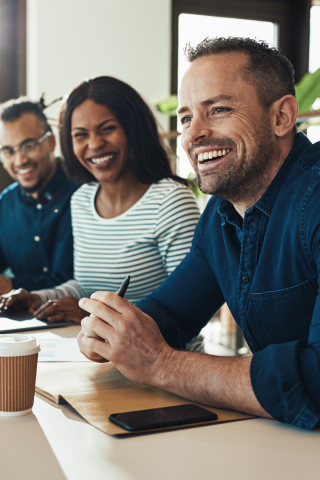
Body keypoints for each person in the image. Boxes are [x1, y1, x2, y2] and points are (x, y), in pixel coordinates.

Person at [75, 37, 320, 430]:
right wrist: (113, 331)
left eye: (218, 109)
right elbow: (170, 314)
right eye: (186, 118)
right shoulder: (220, 214)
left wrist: (161, 364)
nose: (193, 135)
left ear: (282, 116)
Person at [1, 77, 203, 351]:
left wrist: (91, 316)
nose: (94, 144)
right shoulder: (83, 199)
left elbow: (189, 309)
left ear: (133, 130)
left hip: (167, 370)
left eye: (107, 129)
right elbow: (84, 286)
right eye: (80, 135)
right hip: (101, 363)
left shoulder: (169, 200)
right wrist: (38, 298)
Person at [0, 97, 78, 294]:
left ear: (51, 142)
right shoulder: (5, 204)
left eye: (29, 146)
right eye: (8, 151)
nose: (20, 160)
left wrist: (13, 285)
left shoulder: (86, 194)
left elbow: (89, 281)